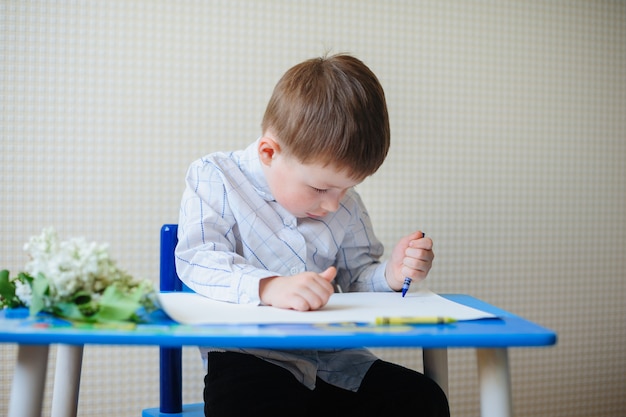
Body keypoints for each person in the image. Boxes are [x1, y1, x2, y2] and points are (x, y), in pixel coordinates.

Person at [175, 53, 449, 417]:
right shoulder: (216, 177)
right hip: (250, 358)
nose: (335, 205)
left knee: (422, 399)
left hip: (334, 358)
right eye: (321, 189)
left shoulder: (346, 207)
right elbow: (198, 258)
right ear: (269, 152)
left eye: (346, 189)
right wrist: (269, 286)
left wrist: (392, 274)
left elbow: (356, 279)